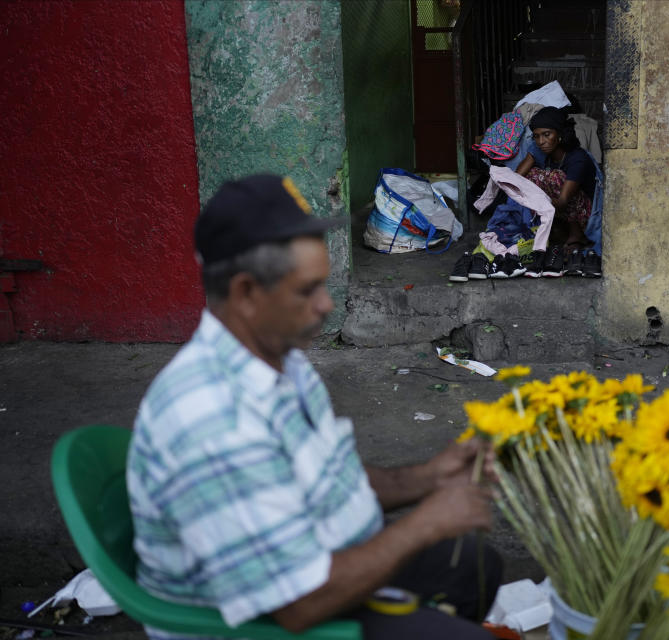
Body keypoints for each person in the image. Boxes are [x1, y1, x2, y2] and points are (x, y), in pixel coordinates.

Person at [126, 174, 501, 640]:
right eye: (307, 290)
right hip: (263, 621)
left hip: (315, 564)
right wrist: (425, 524)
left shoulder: (279, 358)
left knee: (471, 565)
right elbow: (298, 605)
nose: (327, 305)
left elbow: (326, 478)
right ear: (245, 294)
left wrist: (429, 477)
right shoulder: (212, 416)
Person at [515, 106, 599, 276]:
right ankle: (560, 233)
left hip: (586, 214)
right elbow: (516, 180)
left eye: (547, 135)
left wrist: (537, 199)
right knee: (532, 176)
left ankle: (577, 236)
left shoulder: (577, 158)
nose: (541, 141)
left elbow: (562, 201)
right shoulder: (543, 153)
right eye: (537, 136)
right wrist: (532, 154)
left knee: (550, 177)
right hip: (559, 211)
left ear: (560, 134)